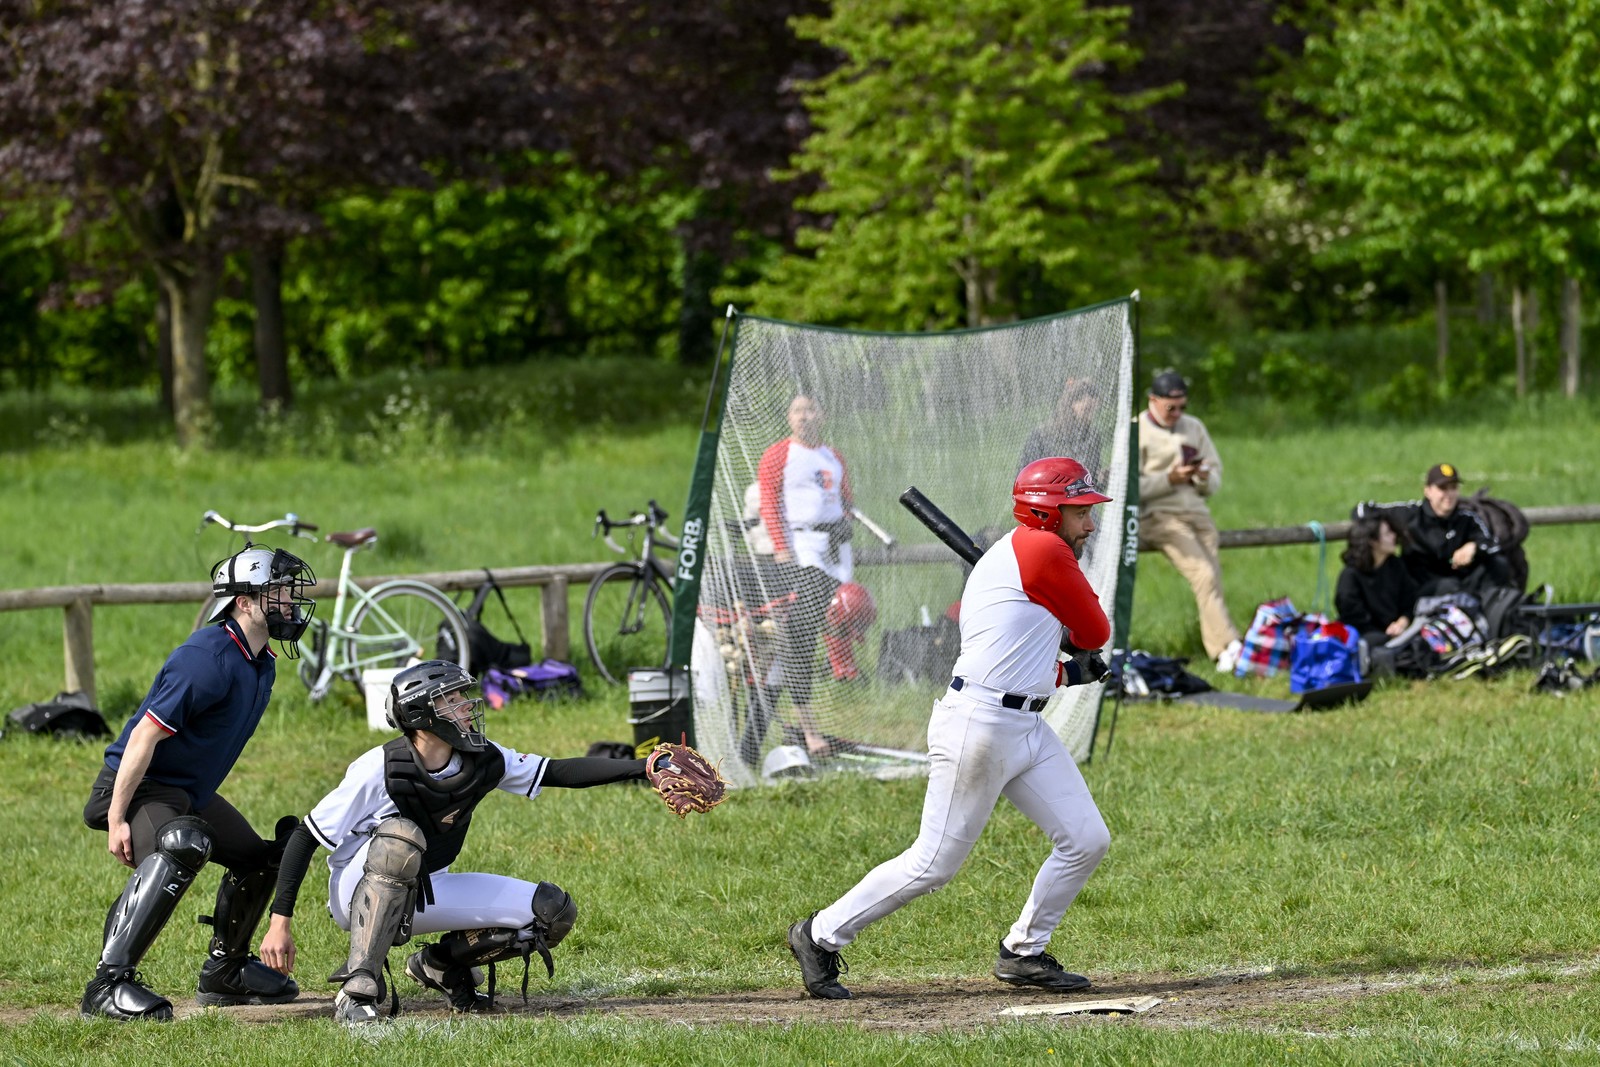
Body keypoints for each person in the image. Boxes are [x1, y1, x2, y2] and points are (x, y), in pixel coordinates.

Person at [787, 457, 1114, 1000]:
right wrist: (1083, 647)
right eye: (1080, 511)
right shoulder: (1042, 548)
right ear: (1049, 511)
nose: (1089, 523)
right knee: (934, 864)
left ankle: (1024, 953)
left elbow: (1025, 654)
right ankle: (819, 935)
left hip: (1024, 725)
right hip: (980, 727)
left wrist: (1071, 666)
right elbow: (1095, 627)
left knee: (1086, 839)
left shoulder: (1028, 552)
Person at [260, 660, 659, 1026]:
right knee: (400, 839)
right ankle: (357, 988)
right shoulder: (378, 768)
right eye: (451, 699)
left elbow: (556, 770)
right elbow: (304, 838)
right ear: (421, 715)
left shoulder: (481, 757)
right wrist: (280, 924)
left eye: (463, 696)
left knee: (550, 912)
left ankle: (440, 966)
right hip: (356, 893)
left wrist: (645, 768)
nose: (467, 705)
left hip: (428, 888)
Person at [80, 545, 317, 1021]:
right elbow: (144, 736)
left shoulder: (261, 660)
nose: (289, 602)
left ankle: (225, 972)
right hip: (137, 787)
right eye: (278, 592)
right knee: (186, 843)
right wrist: (115, 818)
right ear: (244, 602)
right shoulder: (205, 658)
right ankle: (107, 985)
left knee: (268, 856)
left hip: (184, 792)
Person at [756, 394, 858, 757]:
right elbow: (769, 503)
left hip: (834, 551)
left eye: (811, 409)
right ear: (789, 417)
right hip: (802, 548)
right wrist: (782, 548)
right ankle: (806, 722)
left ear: (822, 414)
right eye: (797, 410)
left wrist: (846, 524)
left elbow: (845, 500)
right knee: (799, 636)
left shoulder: (833, 456)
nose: (804, 417)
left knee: (834, 617)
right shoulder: (779, 455)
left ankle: (840, 672)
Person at [1135, 370, 1243, 673]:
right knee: (1204, 573)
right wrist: (1169, 479)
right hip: (1159, 517)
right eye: (1172, 408)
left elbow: (1216, 478)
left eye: (1182, 406)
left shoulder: (1194, 427)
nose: (1178, 414)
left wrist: (1203, 477)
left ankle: (1223, 652)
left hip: (1198, 513)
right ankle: (1227, 645)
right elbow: (1129, 486)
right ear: (1153, 400)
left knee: (1211, 578)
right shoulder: (1135, 431)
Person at [1392, 463, 1511, 598]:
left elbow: (1493, 545)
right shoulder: (1410, 515)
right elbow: (1367, 511)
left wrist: (1473, 547)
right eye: (1442, 488)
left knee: (1498, 565)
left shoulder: (1467, 518)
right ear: (1428, 491)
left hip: (1461, 582)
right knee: (1449, 586)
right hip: (1422, 587)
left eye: (1453, 488)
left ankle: (1493, 611)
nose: (1449, 494)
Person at [1335, 514, 1421, 647]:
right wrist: (1387, 633)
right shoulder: (1350, 576)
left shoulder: (1395, 566)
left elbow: (1409, 601)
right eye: (1387, 533)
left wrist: (1402, 622)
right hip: (1365, 635)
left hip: (1398, 631)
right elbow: (1353, 618)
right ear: (1373, 541)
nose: (1393, 536)